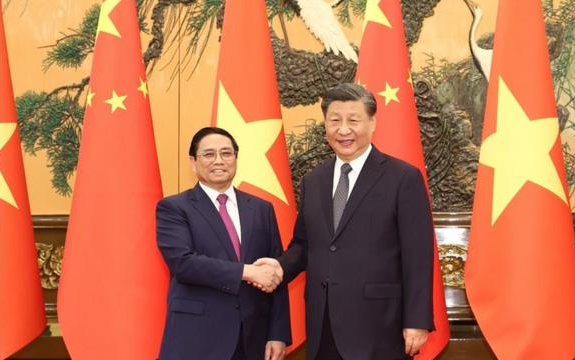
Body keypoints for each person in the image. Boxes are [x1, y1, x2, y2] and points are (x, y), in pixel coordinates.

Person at [256, 83, 435, 359]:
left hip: (380, 324)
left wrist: (417, 320)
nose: (343, 130)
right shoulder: (313, 181)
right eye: (335, 121)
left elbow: (418, 255)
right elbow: (305, 245)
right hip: (323, 322)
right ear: (325, 125)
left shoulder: (403, 178)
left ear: (372, 123)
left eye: (353, 120)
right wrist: (279, 267)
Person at [156, 127, 291, 360]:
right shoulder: (174, 208)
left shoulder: (261, 209)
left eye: (226, 153)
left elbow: (275, 270)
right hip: (197, 338)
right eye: (209, 154)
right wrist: (246, 272)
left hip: (252, 339)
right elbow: (184, 264)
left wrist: (278, 333)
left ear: (236, 158)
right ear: (193, 162)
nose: (219, 161)